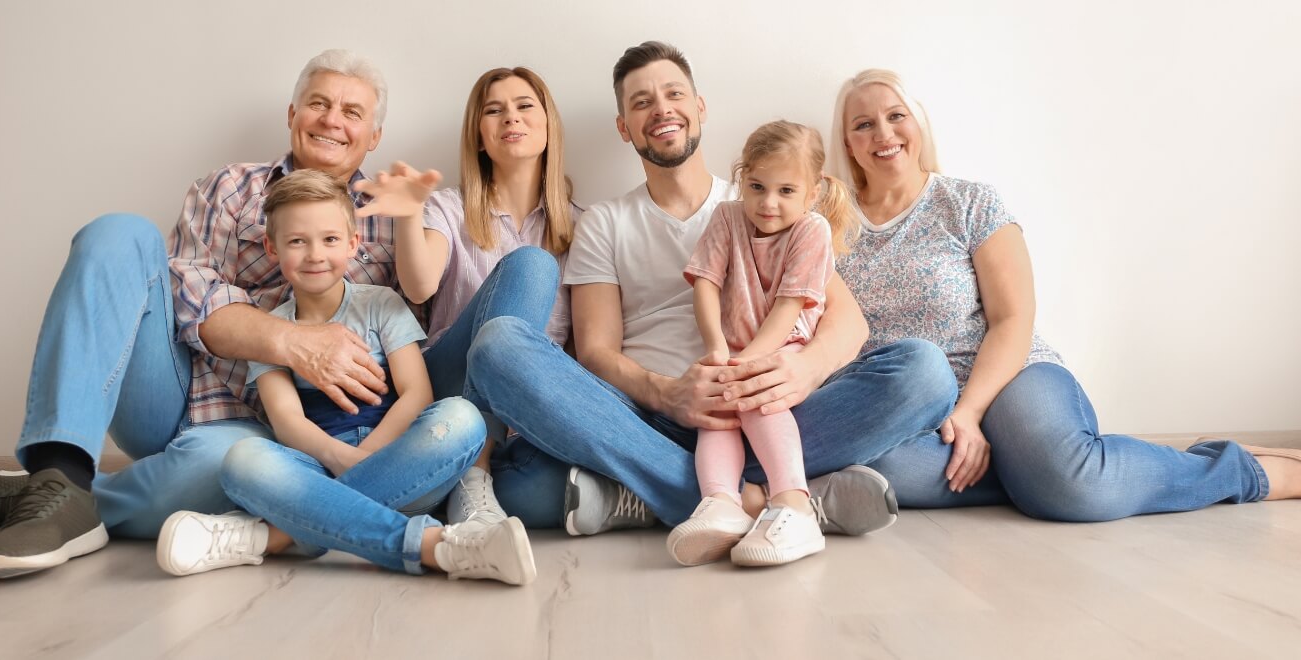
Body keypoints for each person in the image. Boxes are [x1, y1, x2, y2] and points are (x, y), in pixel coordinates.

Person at [0, 49, 418, 581]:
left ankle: (60, 498)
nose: (332, 119)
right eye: (318, 103)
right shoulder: (227, 190)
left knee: (237, 469)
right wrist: (290, 341)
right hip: (174, 390)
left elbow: (413, 341)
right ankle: (60, 465)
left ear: (374, 138)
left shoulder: (392, 220)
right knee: (119, 233)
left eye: (352, 112)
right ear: (293, 115)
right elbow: (187, 295)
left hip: (278, 436)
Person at [451, 42, 961, 546]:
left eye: (674, 93)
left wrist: (801, 373)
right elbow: (595, 352)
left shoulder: (767, 200)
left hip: (769, 412)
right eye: (641, 102)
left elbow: (847, 323)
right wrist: (666, 394)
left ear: (700, 108)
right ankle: (778, 497)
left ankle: (680, 496)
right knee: (499, 349)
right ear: (624, 127)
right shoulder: (604, 223)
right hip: (644, 423)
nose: (661, 109)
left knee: (925, 372)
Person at [827, 68, 1301, 519]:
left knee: (1078, 490)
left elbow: (1014, 318)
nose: (883, 134)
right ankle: (1045, 469)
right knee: (883, 473)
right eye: (864, 124)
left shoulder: (970, 202)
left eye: (896, 116)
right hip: (911, 404)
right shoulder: (825, 223)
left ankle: (1238, 468)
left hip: (1007, 375)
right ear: (848, 142)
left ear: (918, 123)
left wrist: (969, 412)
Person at [155, 170, 534, 585]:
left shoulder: (381, 304)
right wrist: (343, 461)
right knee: (244, 459)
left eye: (330, 239)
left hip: (403, 469)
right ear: (272, 246)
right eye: (297, 241)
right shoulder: (273, 330)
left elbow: (416, 393)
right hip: (317, 471)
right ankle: (438, 546)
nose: (315, 254)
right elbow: (287, 422)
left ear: (354, 244)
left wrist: (368, 458)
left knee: (463, 418)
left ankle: (273, 536)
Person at [364, 66, 580, 529]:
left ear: (548, 126)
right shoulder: (449, 207)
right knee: (531, 266)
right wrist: (408, 214)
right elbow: (419, 285)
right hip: (450, 385)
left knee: (548, 493)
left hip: (525, 416)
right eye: (494, 110)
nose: (511, 118)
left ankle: (458, 484)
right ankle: (472, 472)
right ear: (480, 136)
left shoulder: (583, 228)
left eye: (525, 107)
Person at [670, 119, 858, 566]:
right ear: (742, 180)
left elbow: (789, 309)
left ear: (812, 193)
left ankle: (793, 503)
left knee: (757, 395)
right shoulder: (727, 217)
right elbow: (706, 284)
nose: (768, 203)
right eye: (756, 187)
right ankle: (721, 504)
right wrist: (718, 347)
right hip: (733, 348)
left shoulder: (811, 231)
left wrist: (749, 360)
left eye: (786, 191)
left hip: (786, 346)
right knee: (715, 410)